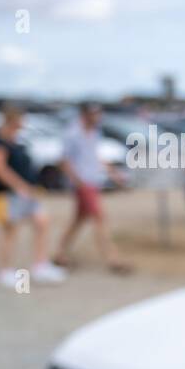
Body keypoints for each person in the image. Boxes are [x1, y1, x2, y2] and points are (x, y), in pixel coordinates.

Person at [0, 106, 66, 288]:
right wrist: (18, 185)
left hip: (26, 193)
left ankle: (40, 264)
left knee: (41, 222)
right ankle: (4, 271)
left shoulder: (17, 141)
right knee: (10, 231)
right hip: (6, 194)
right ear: (12, 120)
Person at [54, 104, 131, 274]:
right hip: (83, 184)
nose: (98, 118)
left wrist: (113, 173)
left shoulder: (94, 133)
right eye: (95, 114)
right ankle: (113, 258)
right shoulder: (72, 134)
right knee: (99, 219)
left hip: (92, 182)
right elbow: (64, 161)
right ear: (86, 115)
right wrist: (78, 182)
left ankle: (60, 252)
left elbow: (95, 156)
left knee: (79, 220)